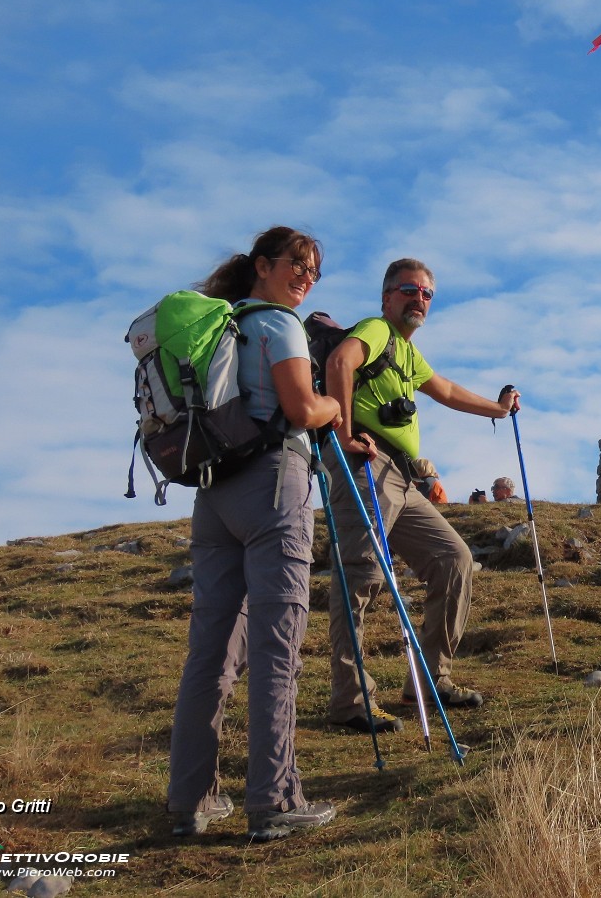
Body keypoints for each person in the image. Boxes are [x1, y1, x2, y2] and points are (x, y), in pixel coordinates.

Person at [167, 226, 342, 842]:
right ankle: (273, 800)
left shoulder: (223, 325)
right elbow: (300, 409)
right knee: (276, 644)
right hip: (272, 485)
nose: (305, 277)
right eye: (296, 264)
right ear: (262, 266)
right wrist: (333, 408)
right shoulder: (277, 324)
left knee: (209, 651)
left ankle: (189, 800)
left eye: (313, 271)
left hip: (214, 495)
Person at [322, 258, 520, 733]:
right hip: (368, 464)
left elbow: (446, 390)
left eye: (427, 294)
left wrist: (498, 408)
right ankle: (351, 701)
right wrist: (345, 433)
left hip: (403, 478)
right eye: (409, 291)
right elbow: (339, 362)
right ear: (387, 297)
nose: (419, 300)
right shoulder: (374, 330)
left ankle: (430, 681)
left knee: (453, 557)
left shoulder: (406, 353)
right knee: (361, 576)